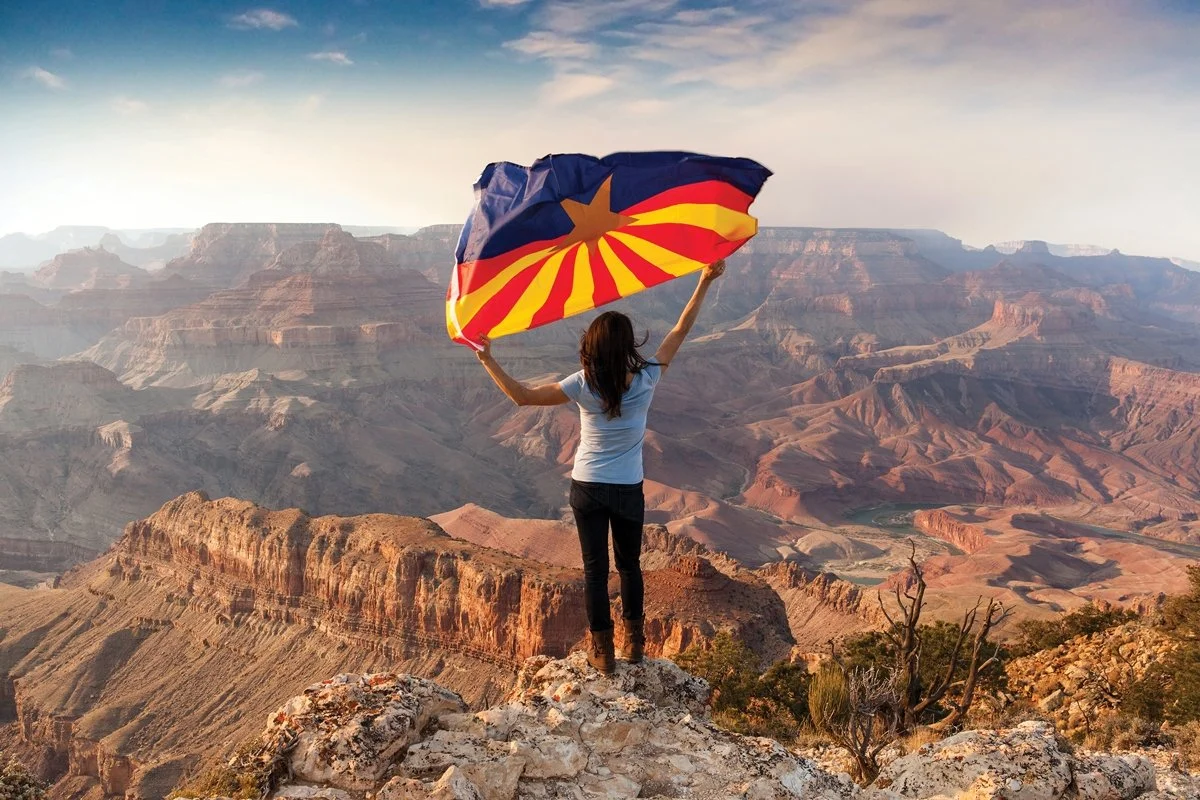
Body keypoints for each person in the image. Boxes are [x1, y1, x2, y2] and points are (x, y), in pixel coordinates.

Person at [474, 258, 727, 673]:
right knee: (630, 566)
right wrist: (703, 281)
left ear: (591, 347)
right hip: (627, 488)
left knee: (595, 572)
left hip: (587, 487)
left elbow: (522, 396)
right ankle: (634, 645)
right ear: (629, 346)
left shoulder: (581, 383)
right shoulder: (646, 377)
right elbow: (680, 330)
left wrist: (487, 360)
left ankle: (603, 652)